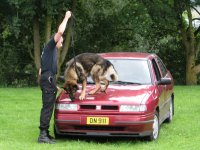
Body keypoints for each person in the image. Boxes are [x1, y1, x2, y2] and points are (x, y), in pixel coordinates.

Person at [38, 10, 71, 144]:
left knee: (49, 107)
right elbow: (61, 32)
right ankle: (42, 136)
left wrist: (53, 84)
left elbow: (41, 71)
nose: (61, 44)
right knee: (47, 108)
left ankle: (46, 133)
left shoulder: (50, 52)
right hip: (48, 80)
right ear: (56, 40)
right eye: (61, 42)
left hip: (48, 79)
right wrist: (66, 17)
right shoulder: (50, 46)